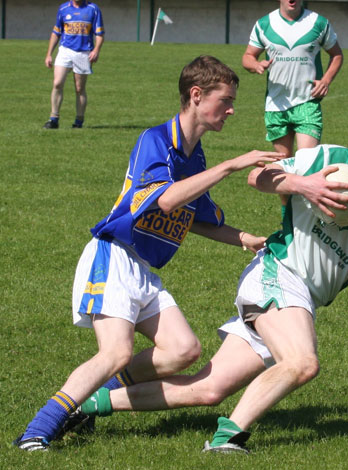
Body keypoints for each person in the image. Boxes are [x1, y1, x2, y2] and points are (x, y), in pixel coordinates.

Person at [62, 110, 348, 454]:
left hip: (301, 301)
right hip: (277, 274)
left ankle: (91, 404)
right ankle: (228, 438)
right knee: (302, 362)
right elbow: (258, 176)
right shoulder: (332, 159)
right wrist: (301, 185)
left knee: (208, 389)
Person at [13, 55, 284, 452]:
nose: (231, 109)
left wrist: (250, 239)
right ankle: (37, 431)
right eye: (224, 100)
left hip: (142, 268)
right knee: (117, 351)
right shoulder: (155, 141)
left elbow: (198, 218)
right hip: (114, 256)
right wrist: (231, 165)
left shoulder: (195, 156)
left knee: (183, 351)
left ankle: (88, 403)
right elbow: (169, 201)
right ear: (196, 95)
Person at [242, 0, 344, 159]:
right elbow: (247, 57)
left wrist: (326, 80)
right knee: (284, 165)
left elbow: (336, 55)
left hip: (307, 101)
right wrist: (255, 65)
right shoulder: (264, 24)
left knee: (307, 162)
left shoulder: (318, 23)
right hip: (276, 103)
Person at [43, 0, 105, 129]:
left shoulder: (93, 9)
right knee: (57, 83)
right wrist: (49, 53)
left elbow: (99, 33)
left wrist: (96, 50)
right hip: (65, 50)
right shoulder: (63, 9)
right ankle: (54, 119)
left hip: (83, 53)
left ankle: (79, 121)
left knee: (79, 88)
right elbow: (56, 32)